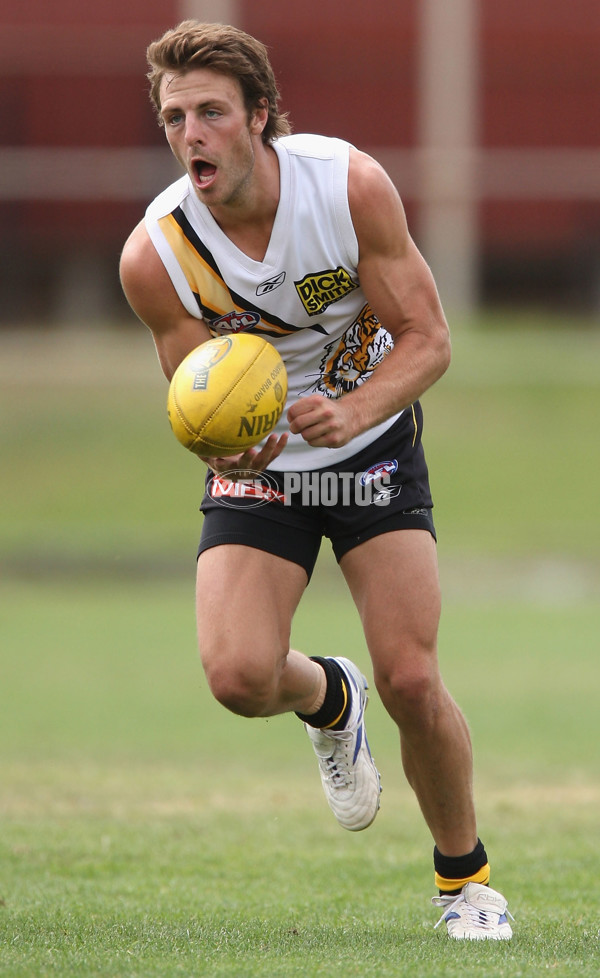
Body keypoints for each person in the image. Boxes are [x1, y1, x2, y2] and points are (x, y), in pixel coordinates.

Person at [120, 20, 513, 940]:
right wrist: (224, 449)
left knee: (413, 678)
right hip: (268, 473)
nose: (192, 134)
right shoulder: (158, 255)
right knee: (237, 675)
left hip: (369, 448)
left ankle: (468, 885)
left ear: (260, 116)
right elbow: (195, 399)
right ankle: (329, 698)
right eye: (176, 118)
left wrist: (358, 407)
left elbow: (430, 340)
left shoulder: (344, 187)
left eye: (212, 111)